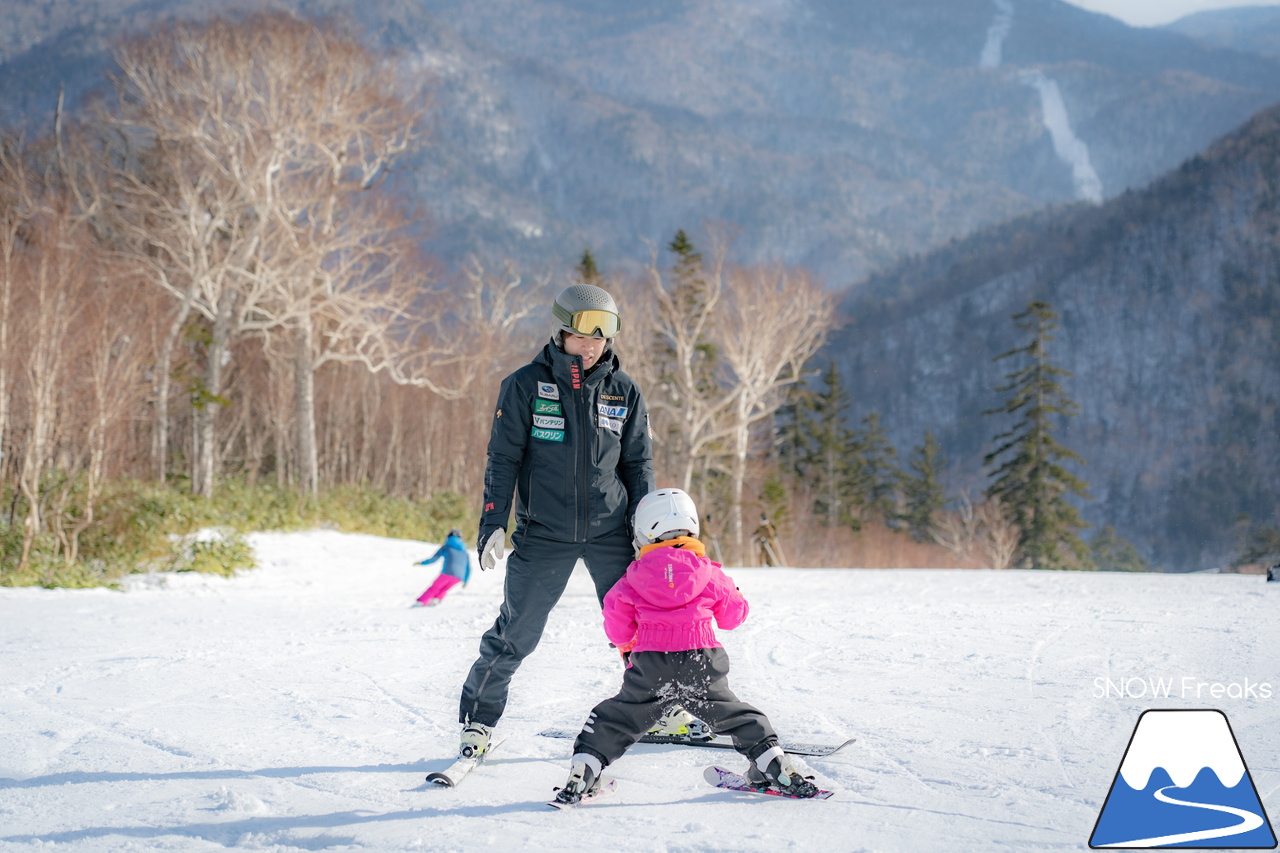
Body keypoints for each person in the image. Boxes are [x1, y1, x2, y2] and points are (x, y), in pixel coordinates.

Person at [455, 283, 657, 759]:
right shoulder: (525, 386)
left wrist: (647, 534)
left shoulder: (624, 391)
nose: (591, 348)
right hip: (544, 532)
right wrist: (492, 524)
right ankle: (477, 722)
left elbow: (638, 465)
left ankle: (664, 706)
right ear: (560, 332)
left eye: (600, 339)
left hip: (613, 534)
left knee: (643, 627)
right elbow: (502, 459)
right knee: (516, 632)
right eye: (582, 337)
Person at [553, 488, 819, 804]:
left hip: (651, 664)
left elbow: (615, 617)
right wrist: (736, 594)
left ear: (642, 532)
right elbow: (733, 616)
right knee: (736, 715)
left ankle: (585, 768)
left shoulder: (632, 577)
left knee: (619, 717)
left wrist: (626, 643)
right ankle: (773, 764)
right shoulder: (708, 572)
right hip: (702, 661)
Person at [412, 528, 471, 607]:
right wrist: (466, 581)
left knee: (434, 587)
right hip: (459, 577)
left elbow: (434, 558)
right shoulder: (465, 552)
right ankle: (436, 600)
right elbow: (468, 568)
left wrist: (422, 562)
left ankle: (421, 602)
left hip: (447, 573)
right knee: (445, 589)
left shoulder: (447, 547)